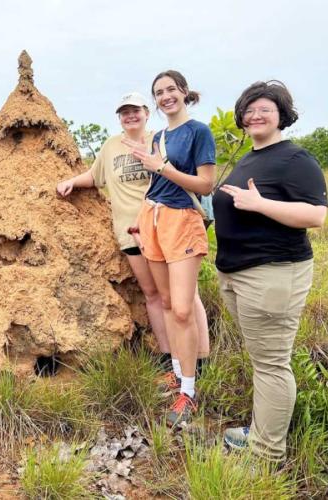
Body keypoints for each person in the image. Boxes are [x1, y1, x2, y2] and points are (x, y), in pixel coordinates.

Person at [56, 92, 209, 380]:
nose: (130, 116)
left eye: (135, 110)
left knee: (184, 297)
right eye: (124, 112)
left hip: (162, 226)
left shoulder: (159, 140)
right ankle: (170, 358)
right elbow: (95, 176)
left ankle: (199, 358)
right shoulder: (111, 146)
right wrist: (71, 183)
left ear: (146, 112)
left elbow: (181, 179)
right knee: (153, 295)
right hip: (128, 231)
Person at [213, 81, 328, 462]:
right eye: (249, 109)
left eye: (265, 109)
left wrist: (260, 204)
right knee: (262, 360)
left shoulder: (295, 159)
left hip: (273, 272)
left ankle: (266, 453)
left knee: (271, 364)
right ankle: (262, 431)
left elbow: (316, 215)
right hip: (238, 272)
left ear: (282, 114)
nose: (256, 115)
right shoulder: (249, 157)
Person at [122, 71, 216, 428]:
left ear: (184, 92)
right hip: (154, 218)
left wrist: (162, 166)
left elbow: (205, 185)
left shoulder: (198, 132)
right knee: (163, 302)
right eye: (159, 93)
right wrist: (142, 221)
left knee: (181, 309)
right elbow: (155, 184)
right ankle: (178, 372)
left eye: (171, 90)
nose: (165, 97)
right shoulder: (159, 135)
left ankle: (189, 392)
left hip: (182, 221)